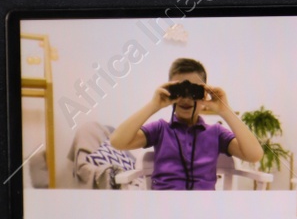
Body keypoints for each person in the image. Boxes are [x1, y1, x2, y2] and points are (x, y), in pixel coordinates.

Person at [109, 58, 265, 191]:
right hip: (164, 208)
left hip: (203, 208)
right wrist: (154, 105)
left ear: (204, 93)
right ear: (170, 91)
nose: (186, 98)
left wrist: (224, 110)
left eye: (194, 91)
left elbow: (254, 154)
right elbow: (117, 141)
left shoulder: (216, 133)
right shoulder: (161, 129)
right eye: (180, 90)